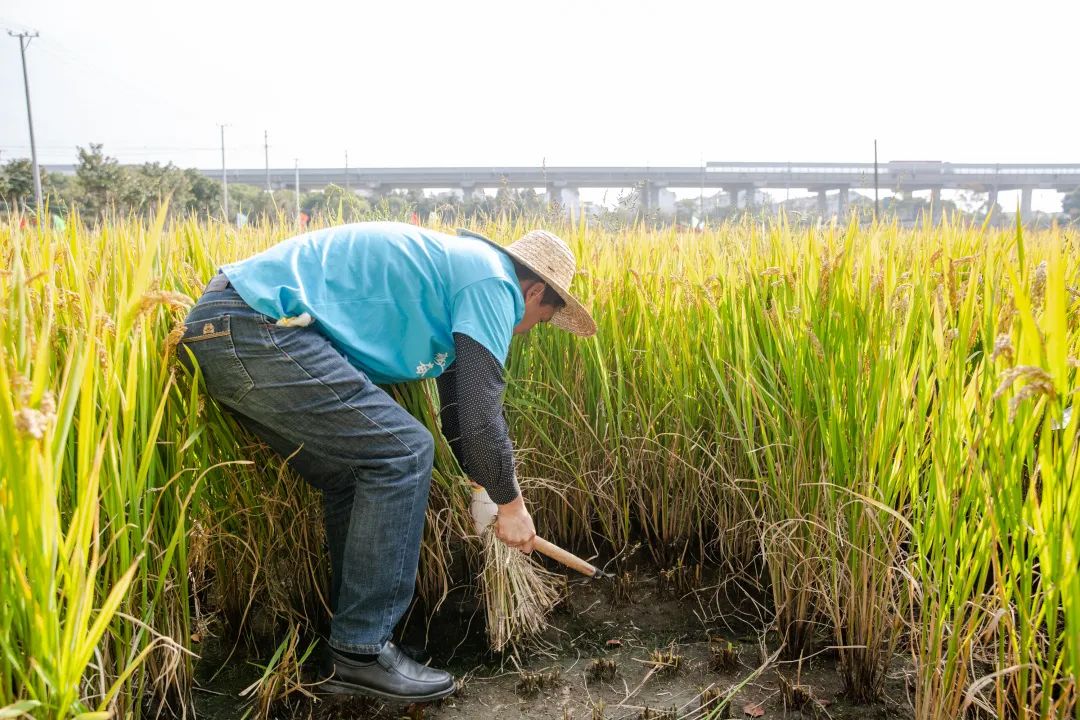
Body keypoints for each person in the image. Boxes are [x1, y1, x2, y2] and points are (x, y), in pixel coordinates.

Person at [177, 221, 595, 702]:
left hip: (226, 328)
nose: (525, 331)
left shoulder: (461, 274)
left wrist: (486, 489)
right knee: (404, 452)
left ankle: (353, 644)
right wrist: (513, 504)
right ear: (534, 290)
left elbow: (458, 414)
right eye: (539, 319)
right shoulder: (494, 281)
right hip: (257, 327)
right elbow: (483, 418)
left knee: (352, 475)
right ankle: (362, 652)